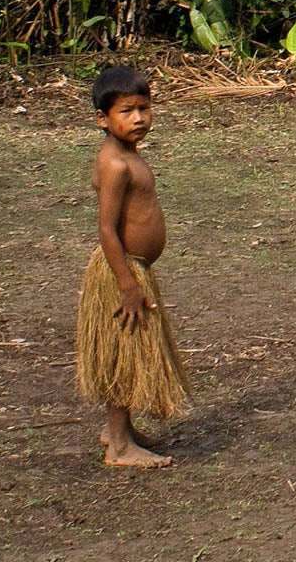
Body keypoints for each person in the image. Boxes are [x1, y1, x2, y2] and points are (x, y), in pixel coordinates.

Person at [77, 65, 190, 468]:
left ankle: (117, 431)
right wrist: (127, 283)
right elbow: (107, 229)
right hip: (122, 271)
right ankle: (121, 447)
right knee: (123, 353)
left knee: (127, 351)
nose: (139, 118)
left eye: (144, 108)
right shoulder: (115, 163)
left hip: (133, 269)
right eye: (126, 111)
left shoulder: (128, 153)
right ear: (102, 120)